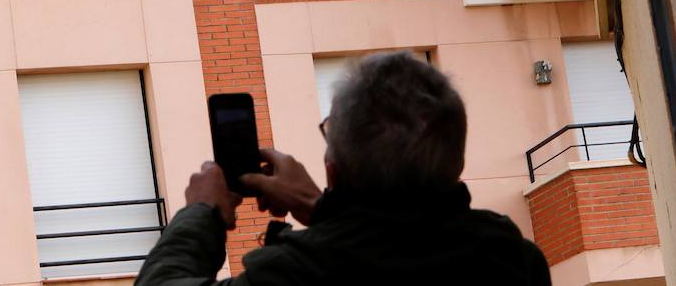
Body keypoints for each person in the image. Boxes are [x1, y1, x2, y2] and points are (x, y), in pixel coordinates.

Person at [134, 51, 551, 285]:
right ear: (457, 162)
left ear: (331, 166)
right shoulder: (513, 262)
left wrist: (199, 215)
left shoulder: (296, 276)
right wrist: (323, 210)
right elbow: (401, 244)